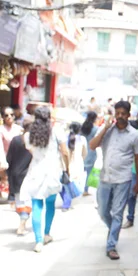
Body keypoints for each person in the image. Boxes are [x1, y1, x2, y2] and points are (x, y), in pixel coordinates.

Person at [90, 100, 138, 260]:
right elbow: (92, 146)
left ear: (128, 115)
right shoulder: (106, 131)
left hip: (123, 179)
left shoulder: (135, 135)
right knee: (103, 211)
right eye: (117, 113)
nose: (120, 116)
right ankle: (113, 228)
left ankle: (111, 245)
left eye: (123, 113)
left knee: (118, 213)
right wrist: (105, 128)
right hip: (105, 177)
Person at [19, 107, 70, 253]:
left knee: (36, 205)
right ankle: (47, 234)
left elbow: (32, 152)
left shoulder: (28, 136)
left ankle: (38, 241)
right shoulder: (56, 132)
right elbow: (65, 152)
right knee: (50, 204)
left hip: (35, 172)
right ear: (48, 118)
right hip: (53, 172)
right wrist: (67, 168)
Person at [6, 116, 33, 235]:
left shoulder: (16, 140)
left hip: (15, 175)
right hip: (30, 175)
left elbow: (9, 158)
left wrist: (7, 174)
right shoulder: (36, 141)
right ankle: (22, 223)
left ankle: (22, 221)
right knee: (28, 201)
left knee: (19, 200)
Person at [60, 122, 87, 212]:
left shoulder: (64, 138)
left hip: (65, 163)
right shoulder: (82, 139)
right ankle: (66, 203)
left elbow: (63, 152)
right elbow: (85, 153)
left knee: (65, 183)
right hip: (77, 164)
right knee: (70, 183)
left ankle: (66, 202)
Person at [81, 112, 99, 196]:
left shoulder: (82, 127)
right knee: (89, 172)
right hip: (91, 151)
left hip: (82, 150)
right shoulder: (95, 129)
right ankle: (85, 189)